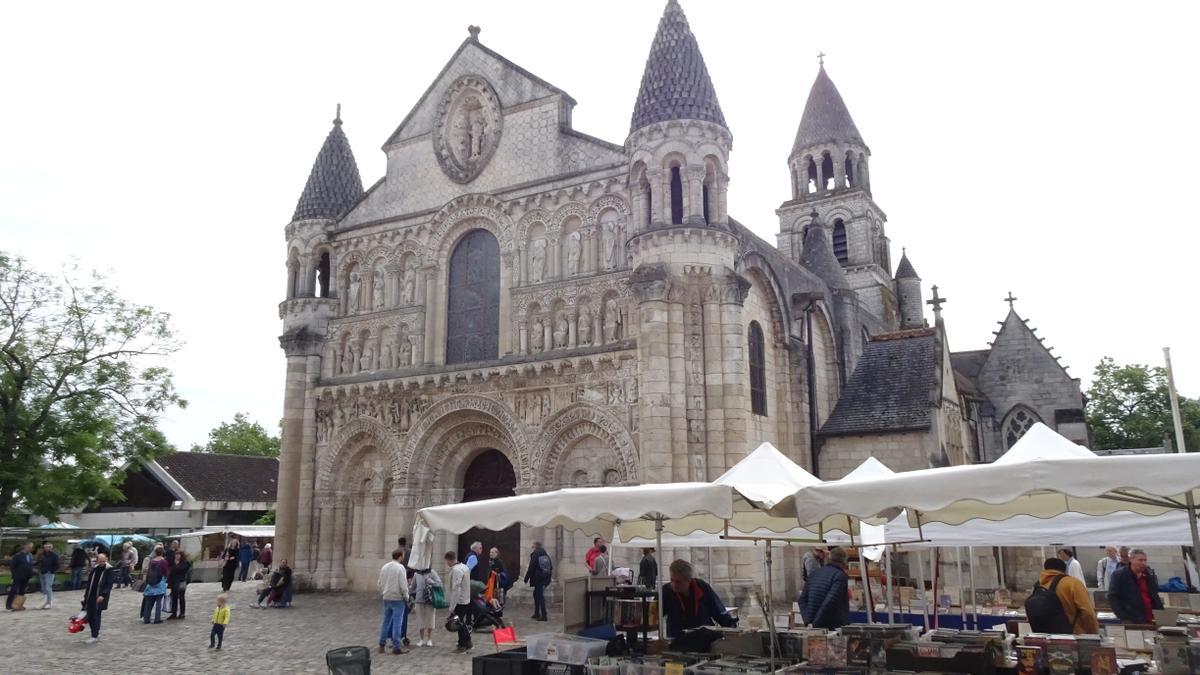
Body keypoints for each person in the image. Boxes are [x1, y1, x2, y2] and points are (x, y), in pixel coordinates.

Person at [661, 559, 736, 638]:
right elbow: (655, 616)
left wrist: (732, 627)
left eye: (678, 582)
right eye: (672, 580)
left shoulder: (702, 587)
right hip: (678, 640)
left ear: (689, 580)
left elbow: (718, 611)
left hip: (704, 639)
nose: (674, 585)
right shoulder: (666, 591)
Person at [1029, 557, 1100, 634]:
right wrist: (1093, 632)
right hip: (1073, 634)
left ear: (1045, 569)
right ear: (1064, 569)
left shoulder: (1037, 586)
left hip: (1044, 636)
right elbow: (1087, 612)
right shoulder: (1073, 583)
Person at [799, 546, 851, 630]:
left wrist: (808, 621)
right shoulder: (840, 576)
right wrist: (815, 624)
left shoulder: (814, 573)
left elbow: (802, 600)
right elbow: (830, 601)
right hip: (831, 626)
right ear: (844, 561)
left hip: (812, 623)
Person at [1107, 548, 1163, 623]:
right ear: (1131, 560)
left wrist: (1161, 612)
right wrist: (1123, 616)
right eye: (1140, 560)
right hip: (1131, 619)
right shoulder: (1119, 575)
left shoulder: (1148, 575)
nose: (1143, 563)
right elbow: (1112, 596)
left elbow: (1154, 595)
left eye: (1145, 560)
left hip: (1151, 618)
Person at [377, 548, 411, 655]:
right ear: (400, 556)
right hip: (397, 598)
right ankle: (396, 647)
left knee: (386, 621)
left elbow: (380, 582)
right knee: (397, 623)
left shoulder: (384, 567)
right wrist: (407, 597)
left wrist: (383, 592)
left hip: (386, 597)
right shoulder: (400, 568)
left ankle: (381, 644)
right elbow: (403, 585)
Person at [80, 552, 115, 644]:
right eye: (100, 561)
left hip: (100, 596)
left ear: (106, 559)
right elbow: (89, 584)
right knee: (89, 615)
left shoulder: (109, 570)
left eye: (103, 561)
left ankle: (94, 635)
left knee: (96, 615)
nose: (102, 563)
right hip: (91, 595)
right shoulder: (94, 569)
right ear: (97, 560)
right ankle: (95, 633)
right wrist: (85, 596)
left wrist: (103, 595)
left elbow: (109, 584)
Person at [445, 550, 473, 653]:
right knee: (461, 622)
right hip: (465, 599)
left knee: (458, 623)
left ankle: (462, 645)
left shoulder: (456, 570)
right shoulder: (464, 567)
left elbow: (456, 588)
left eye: (447, 561)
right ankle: (468, 642)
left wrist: (452, 607)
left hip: (460, 601)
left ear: (449, 560)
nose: (447, 564)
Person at [412, 564, 443, 646]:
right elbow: (413, 587)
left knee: (430, 619)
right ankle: (421, 639)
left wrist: (431, 582)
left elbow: (439, 584)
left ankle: (429, 639)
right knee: (420, 620)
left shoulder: (432, 572)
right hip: (419, 600)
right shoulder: (416, 574)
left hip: (430, 600)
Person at [525, 541, 552, 622]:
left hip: (538, 578)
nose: (532, 548)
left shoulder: (535, 554)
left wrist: (526, 578)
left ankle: (544, 615)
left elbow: (531, 567)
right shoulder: (545, 554)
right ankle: (537, 613)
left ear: (535, 547)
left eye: (532, 547)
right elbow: (551, 567)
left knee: (540, 596)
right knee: (536, 593)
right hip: (545, 578)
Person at [141, 546, 168, 624]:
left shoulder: (152, 561)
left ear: (155, 553)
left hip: (150, 584)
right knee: (159, 602)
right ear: (163, 553)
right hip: (160, 583)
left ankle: (146, 619)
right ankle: (157, 619)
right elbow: (166, 573)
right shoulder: (163, 562)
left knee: (148, 601)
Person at [6, 542, 33, 611]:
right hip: (18, 576)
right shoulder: (17, 556)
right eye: (29, 547)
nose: (30, 548)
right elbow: (12, 566)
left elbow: (30, 566)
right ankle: (9, 605)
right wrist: (14, 575)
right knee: (14, 590)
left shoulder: (30, 556)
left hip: (26, 576)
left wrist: (30, 575)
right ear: (25, 546)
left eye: (31, 547)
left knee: (22, 591)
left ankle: (18, 605)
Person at [166, 550, 190, 620]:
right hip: (173, 582)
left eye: (178, 555)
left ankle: (182, 613)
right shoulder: (173, 563)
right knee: (174, 598)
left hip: (181, 582)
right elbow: (170, 571)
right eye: (176, 555)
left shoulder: (185, 563)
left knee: (181, 597)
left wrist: (175, 567)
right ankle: (174, 613)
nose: (177, 556)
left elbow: (182, 570)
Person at [36, 542, 60, 610]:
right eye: (45, 547)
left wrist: (51, 570)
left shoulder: (54, 555)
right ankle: (45, 601)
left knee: (48, 587)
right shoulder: (41, 554)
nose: (46, 548)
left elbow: (57, 565)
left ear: (51, 548)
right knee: (43, 588)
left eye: (48, 547)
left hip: (49, 573)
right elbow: (39, 562)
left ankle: (49, 603)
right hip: (41, 572)